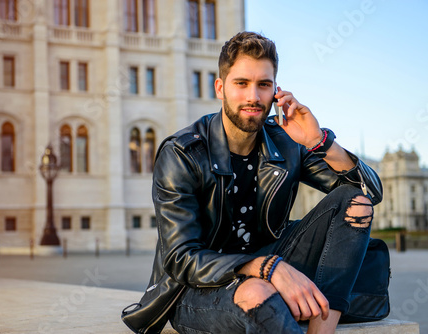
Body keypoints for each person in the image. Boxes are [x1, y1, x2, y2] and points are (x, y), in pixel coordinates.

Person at [148, 31, 383, 334]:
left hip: (274, 265)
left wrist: (317, 141)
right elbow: (181, 258)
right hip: (198, 288)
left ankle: (321, 329)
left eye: (263, 84)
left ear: (275, 90)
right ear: (220, 88)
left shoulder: (285, 141)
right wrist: (267, 267)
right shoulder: (182, 153)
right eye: (241, 83)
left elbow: (369, 193)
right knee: (258, 294)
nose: (253, 97)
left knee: (356, 204)